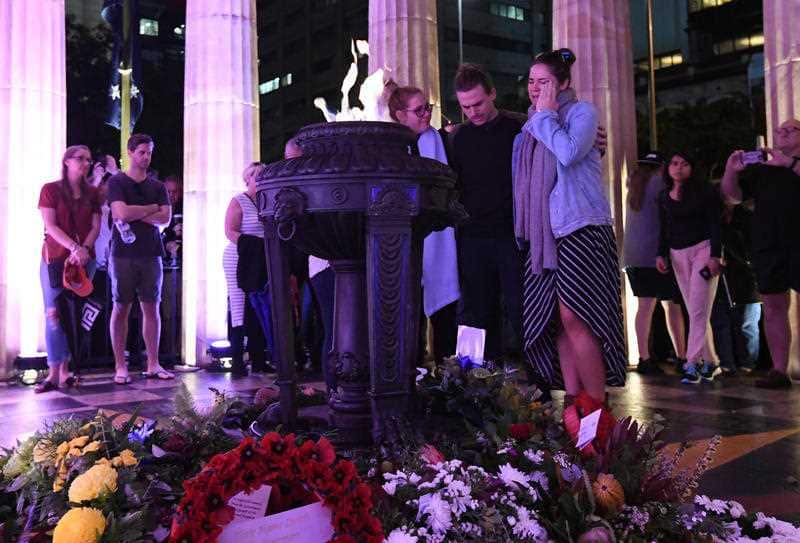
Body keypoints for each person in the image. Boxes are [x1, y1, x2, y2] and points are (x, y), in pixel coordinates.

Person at [514, 49, 626, 416]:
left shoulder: (581, 113)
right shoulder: (531, 124)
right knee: (557, 320)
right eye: (530, 81)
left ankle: (597, 408)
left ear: (563, 83)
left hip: (581, 227)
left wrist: (546, 116)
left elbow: (567, 152)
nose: (535, 88)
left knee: (578, 315)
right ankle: (573, 406)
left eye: (543, 81)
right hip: (544, 234)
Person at [448, 64, 527, 362]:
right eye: (466, 106)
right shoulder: (457, 138)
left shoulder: (518, 127)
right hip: (472, 237)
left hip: (512, 235)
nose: (473, 112)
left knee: (522, 309)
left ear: (492, 93)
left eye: (478, 103)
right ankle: (478, 385)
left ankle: (540, 383)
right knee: (476, 313)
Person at [721, 118, 800, 388]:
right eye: (779, 130)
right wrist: (731, 171)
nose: (782, 133)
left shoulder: (790, 164)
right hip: (768, 245)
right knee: (774, 307)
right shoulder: (763, 170)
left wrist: (788, 163)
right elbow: (732, 197)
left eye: (791, 130)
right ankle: (779, 371)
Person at [387, 82, 459, 362]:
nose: (426, 115)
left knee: (445, 314)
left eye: (427, 108)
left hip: (438, 235)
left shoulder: (441, 141)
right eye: (419, 111)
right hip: (402, 238)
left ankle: (447, 378)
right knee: (408, 313)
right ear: (399, 115)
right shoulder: (390, 148)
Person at [107, 134, 173, 384]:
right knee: (121, 306)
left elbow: (165, 218)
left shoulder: (157, 187)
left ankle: (153, 363)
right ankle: (120, 365)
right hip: (123, 253)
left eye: (149, 152)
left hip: (151, 252)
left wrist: (136, 214)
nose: (146, 157)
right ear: (131, 152)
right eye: (142, 152)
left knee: (151, 307)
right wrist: (150, 209)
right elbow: (120, 213)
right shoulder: (117, 182)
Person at [36, 145, 101, 393]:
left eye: (88, 159)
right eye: (80, 158)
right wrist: (74, 248)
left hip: (85, 260)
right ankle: (53, 372)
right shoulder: (50, 190)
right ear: (67, 161)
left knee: (74, 316)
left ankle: (67, 372)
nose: (85, 163)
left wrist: (83, 249)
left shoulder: (93, 193)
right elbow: (50, 226)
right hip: (55, 258)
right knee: (54, 314)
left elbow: (96, 226)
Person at [656, 151, 722, 384]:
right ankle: (712, 361)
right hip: (677, 253)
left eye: (684, 163)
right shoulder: (664, 196)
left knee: (696, 308)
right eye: (674, 163)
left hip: (703, 249)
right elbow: (664, 228)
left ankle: (692, 362)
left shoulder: (705, 192)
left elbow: (715, 223)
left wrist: (715, 255)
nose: (679, 168)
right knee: (696, 307)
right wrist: (661, 253)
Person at [623, 152, 687, 374]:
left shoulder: (634, 184)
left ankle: (644, 358)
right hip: (656, 255)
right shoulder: (660, 183)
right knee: (672, 306)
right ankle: (682, 356)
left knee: (644, 308)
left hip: (632, 257)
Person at [223, 162, 272, 377]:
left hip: (261, 258)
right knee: (238, 305)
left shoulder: (267, 200)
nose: (261, 180)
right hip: (239, 256)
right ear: (248, 179)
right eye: (257, 176)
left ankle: (259, 358)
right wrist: (250, 244)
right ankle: (236, 359)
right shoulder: (238, 200)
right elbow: (230, 231)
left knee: (258, 307)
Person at [711, 200, 760, 374]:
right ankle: (732, 362)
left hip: (746, 274)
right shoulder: (716, 219)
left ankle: (747, 362)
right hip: (727, 274)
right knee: (729, 321)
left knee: (747, 322)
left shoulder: (746, 218)